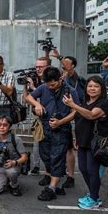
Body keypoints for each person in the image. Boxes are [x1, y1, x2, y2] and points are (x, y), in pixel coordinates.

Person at [25, 67, 79, 201]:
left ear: (60, 78)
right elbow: (29, 97)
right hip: (45, 126)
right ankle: (54, 178)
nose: (50, 87)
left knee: (57, 157)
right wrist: (37, 104)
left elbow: (75, 111)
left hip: (61, 128)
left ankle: (52, 188)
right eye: (48, 84)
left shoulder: (71, 91)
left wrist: (61, 122)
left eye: (53, 84)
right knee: (45, 155)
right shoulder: (44, 87)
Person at [63, 76, 108, 209]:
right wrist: (76, 138)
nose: (92, 89)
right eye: (90, 86)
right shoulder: (85, 102)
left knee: (92, 170)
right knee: (83, 169)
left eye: (96, 86)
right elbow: (80, 121)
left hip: (95, 143)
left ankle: (94, 199)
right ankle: (93, 194)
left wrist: (73, 105)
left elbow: (91, 115)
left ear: (101, 89)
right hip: (83, 140)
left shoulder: (103, 103)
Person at [53, 50, 86, 188]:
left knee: (69, 148)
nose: (64, 66)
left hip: (75, 116)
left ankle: (71, 176)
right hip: (63, 115)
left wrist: (59, 56)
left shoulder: (75, 78)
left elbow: (67, 69)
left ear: (72, 66)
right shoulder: (62, 78)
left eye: (67, 63)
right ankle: (57, 173)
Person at [0, 115, 28, 196]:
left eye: (5, 125)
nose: (2, 127)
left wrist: (14, 162)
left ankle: (14, 186)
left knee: (11, 171)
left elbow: (25, 157)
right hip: (0, 166)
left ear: (10, 127)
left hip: (14, 166)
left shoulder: (15, 139)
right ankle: (6, 180)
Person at [24, 57, 51, 176]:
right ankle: (36, 166)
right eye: (36, 67)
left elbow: (44, 94)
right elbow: (27, 98)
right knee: (37, 142)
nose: (38, 69)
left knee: (51, 146)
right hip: (38, 117)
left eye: (41, 66)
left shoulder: (51, 79)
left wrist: (34, 88)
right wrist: (26, 86)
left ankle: (53, 170)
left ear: (48, 68)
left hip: (51, 117)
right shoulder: (35, 80)